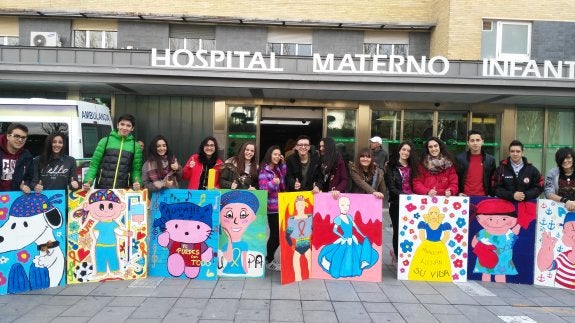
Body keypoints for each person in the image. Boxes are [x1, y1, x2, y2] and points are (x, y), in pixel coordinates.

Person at [317, 196, 378, 278]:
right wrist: (342, 236)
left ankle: (353, 270)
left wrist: (363, 235)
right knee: (341, 255)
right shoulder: (338, 219)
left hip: (352, 239)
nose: (345, 207)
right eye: (342, 205)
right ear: (339, 206)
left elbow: (356, 228)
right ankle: (342, 270)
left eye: (347, 205)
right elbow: (334, 230)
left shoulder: (349, 217)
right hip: (345, 239)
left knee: (354, 255)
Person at [82, 114, 142, 190]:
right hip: (102, 188)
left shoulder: (135, 146)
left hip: (123, 190)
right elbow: (94, 165)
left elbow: (136, 170)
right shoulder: (105, 141)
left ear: (132, 128)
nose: (124, 128)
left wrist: (138, 182)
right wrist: (88, 181)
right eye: (122, 124)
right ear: (117, 125)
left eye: (128, 125)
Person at [472, 199, 520, 283]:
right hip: (486, 259)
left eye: (504, 219)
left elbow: (474, 244)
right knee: (486, 274)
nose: (497, 222)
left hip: (502, 260)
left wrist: (520, 224)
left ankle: (500, 288)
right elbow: (474, 244)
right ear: (479, 218)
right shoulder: (483, 233)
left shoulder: (508, 233)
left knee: (500, 276)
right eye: (490, 219)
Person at [384, 141, 418, 260]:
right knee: (398, 231)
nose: (405, 152)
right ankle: (399, 258)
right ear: (399, 150)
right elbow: (391, 188)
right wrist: (406, 196)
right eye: (404, 149)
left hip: (414, 204)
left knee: (412, 231)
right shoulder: (390, 166)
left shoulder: (414, 167)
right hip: (397, 203)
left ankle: (410, 258)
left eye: (408, 151)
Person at [258, 145, 286, 271]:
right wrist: (273, 183)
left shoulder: (278, 168)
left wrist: (283, 164)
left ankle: (269, 258)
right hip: (272, 208)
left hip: (280, 206)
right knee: (276, 235)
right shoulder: (265, 170)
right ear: (270, 155)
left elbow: (283, 179)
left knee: (278, 235)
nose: (277, 157)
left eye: (279, 155)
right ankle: (269, 260)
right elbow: (263, 189)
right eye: (275, 154)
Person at [220, 190, 259, 275]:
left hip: (241, 271)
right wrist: (230, 239)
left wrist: (246, 272)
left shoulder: (244, 245)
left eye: (243, 215)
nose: (236, 221)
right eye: (229, 215)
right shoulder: (225, 246)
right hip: (226, 271)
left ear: (252, 218)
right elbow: (229, 259)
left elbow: (244, 261)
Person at [408, 206, 452, 281]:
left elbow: (446, 236)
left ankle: (439, 274)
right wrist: (427, 243)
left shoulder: (443, 225)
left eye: (436, 213)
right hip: (427, 245)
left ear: (439, 215)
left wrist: (440, 244)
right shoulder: (425, 225)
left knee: (439, 262)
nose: (434, 215)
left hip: (438, 246)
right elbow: (422, 237)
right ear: (428, 214)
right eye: (431, 213)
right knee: (424, 261)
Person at [537, 211, 575, 289]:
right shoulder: (563, 257)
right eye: (572, 229)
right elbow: (544, 267)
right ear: (564, 232)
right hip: (559, 292)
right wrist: (546, 249)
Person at [455, 129, 496, 196]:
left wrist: (491, 194)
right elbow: (455, 178)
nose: (475, 143)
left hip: (484, 197)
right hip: (464, 197)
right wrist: (458, 193)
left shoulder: (490, 160)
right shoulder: (459, 159)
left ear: (482, 142)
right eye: (472, 140)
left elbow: (493, 180)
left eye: (478, 140)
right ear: (468, 143)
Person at [285, 195, 312, 281]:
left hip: (307, 246)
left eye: (302, 205)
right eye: (298, 205)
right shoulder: (292, 219)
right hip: (297, 247)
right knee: (296, 269)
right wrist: (292, 246)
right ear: (295, 206)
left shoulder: (310, 217)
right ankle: (298, 280)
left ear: (304, 205)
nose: (300, 207)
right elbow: (287, 235)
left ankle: (311, 278)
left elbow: (314, 229)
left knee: (311, 267)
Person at [0, 123, 33, 193]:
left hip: (15, 197)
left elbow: (29, 177)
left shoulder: (27, 156)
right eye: (16, 136)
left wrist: (25, 185)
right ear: (8, 136)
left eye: (23, 137)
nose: (20, 140)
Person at [544, 147, 575, 211]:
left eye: (568, 158)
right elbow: (548, 193)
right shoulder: (552, 172)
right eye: (562, 159)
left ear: (573, 158)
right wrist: (566, 201)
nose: (565, 161)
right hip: (558, 210)